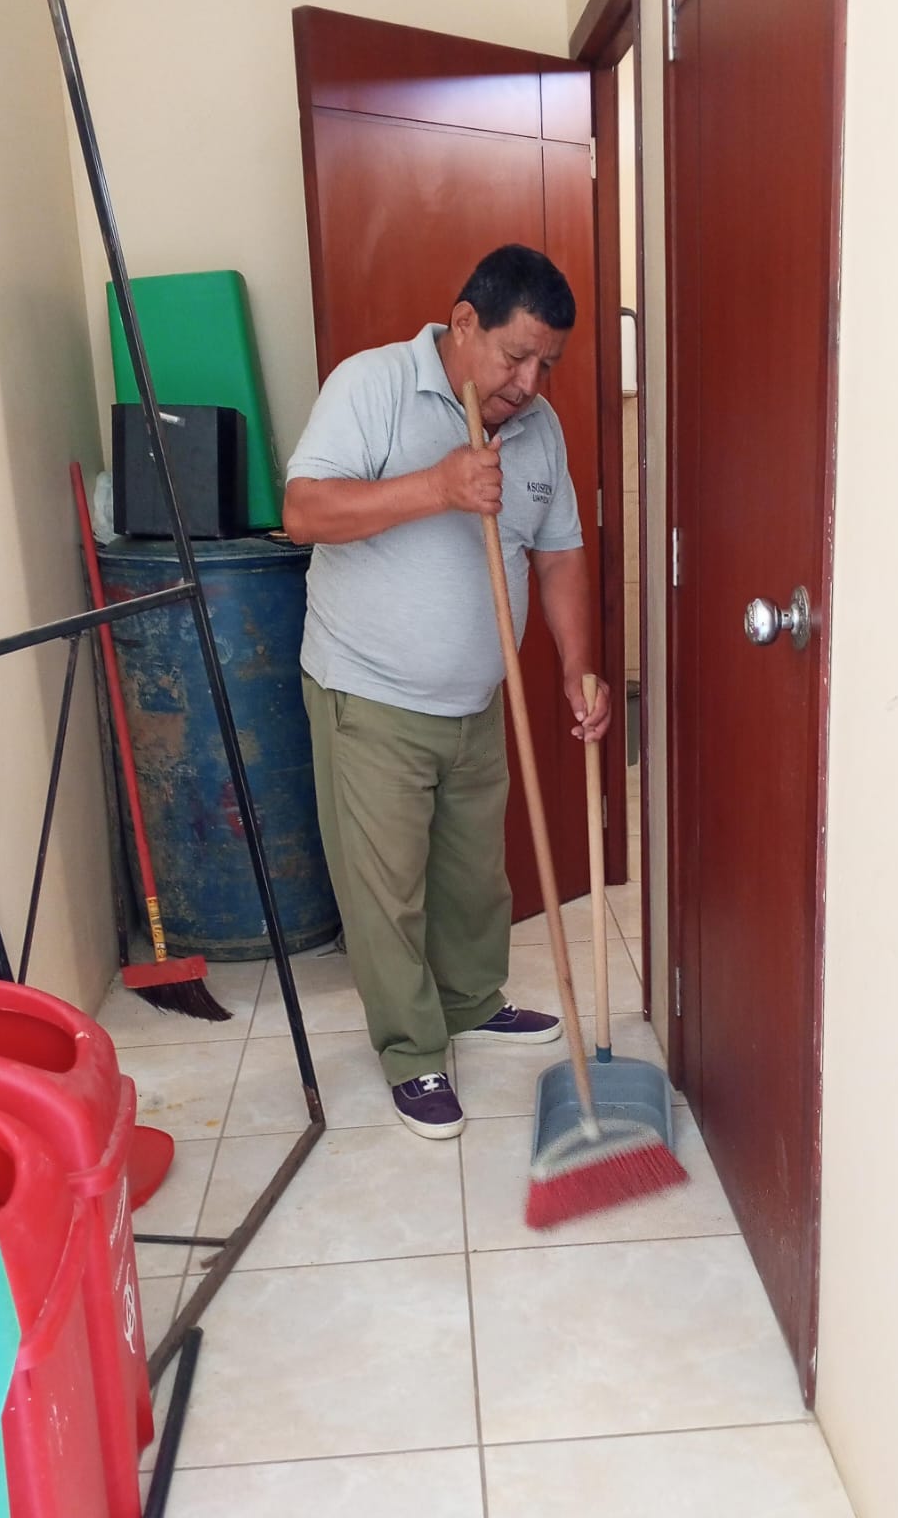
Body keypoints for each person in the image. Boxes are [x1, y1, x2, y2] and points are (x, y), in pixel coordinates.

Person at [283, 244, 611, 1140]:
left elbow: (559, 554)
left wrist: (577, 666)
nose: (530, 383)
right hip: (369, 695)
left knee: (473, 879)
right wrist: (437, 486)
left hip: (475, 699)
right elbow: (305, 512)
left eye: (547, 364)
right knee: (385, 891)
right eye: (516, 356)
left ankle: (470, 1001)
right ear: (465, 323)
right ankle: (412, 1050)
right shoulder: (373, 384)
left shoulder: (539, 427)